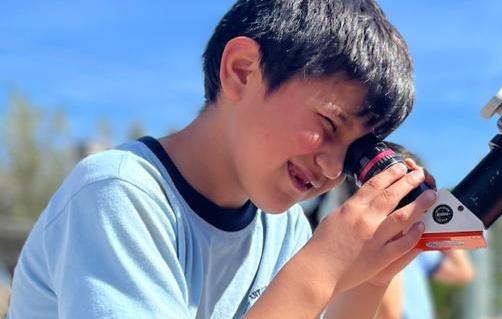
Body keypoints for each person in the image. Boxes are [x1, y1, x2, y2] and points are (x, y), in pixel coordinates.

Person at [8, 1, 435, 318]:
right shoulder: (118, 193)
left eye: (355, 153)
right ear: (242, 71)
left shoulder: (282, 227)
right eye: (328, 124)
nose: (332, 168)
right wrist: (322, 266)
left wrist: (372, 274)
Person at [302, 141, 474, 319]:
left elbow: (461, 272)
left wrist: (437, 218)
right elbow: (390, 314)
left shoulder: (412, 244)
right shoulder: (367, 250)